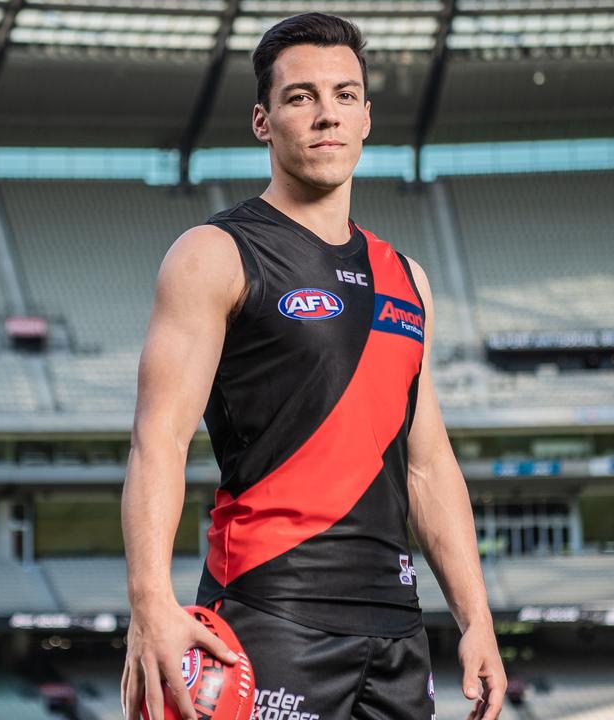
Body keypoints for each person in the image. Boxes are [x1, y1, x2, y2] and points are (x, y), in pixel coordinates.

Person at [121, 12, 506, 720]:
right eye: (301, 97)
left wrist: (477, 618)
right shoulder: (214, 254)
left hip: (397, 626)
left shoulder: (407, 278)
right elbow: (160, 439)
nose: (326, 114)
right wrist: (149, 600)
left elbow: (426, 464)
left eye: (345, 95)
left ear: (367, 117)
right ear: (264, 122)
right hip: (271, 610)